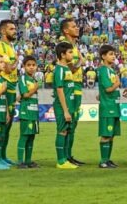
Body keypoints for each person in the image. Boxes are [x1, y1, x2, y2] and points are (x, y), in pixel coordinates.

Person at [59, 18, 85, 166]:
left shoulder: (74, 46)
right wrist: (81, 60)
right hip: (70, 86)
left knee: (73, 123)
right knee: (68, 124)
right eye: (74, 26)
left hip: (77, 86)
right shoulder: (65, 46)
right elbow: (72, 69)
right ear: (66, 30)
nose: (77, 28)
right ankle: (64, 157)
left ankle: (69, 155)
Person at [0, 20, 18, 166]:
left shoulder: (10, 46)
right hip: (5, 85)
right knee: (3, 123)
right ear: (3, 31)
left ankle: (3, 156)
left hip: (12, 86)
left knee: (8, 126)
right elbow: (8, 69)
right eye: (11, 29)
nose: (14, 31)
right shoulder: (1, 46)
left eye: (15, 28)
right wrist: (17, 62)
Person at [53, 41, 77, 169]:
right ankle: (61, 161)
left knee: (67, 131)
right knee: (62, 131)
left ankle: (66, 159)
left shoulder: (67, 68)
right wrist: (65, 110)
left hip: (69, 106)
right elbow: (60, 90)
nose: (72, 54)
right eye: (70, 52)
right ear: (62, 54)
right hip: (63, 107)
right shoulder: (59, 69)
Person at [97, 44, 121, 169]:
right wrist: (117, 83)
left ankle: (107, 159)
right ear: (103, 56)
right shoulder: (103, 70)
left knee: (111, 135)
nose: (114, 56)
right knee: (106, 134)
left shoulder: (111, 70)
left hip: (114, 106)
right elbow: (108, 89)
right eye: (110, 54)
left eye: (114, 54)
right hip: (108, 107)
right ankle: (103, 161)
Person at [17, 56, 40, 169]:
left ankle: (28, 160)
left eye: (33, 65)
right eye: (28, 65)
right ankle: (20, 161)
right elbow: (25, 95)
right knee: (24, 136)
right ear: (24, 67)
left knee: (31, 137)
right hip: (26, 112)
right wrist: (35, 88)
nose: (31, 67)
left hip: (34, 113)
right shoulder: (23, 78)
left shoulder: (34, 80)